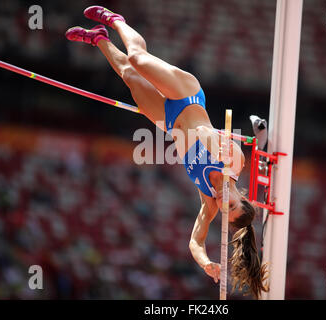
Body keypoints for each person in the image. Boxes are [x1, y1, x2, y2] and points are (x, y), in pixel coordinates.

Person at [66, 5, 268, 298]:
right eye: (234, 204)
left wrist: (206, 264)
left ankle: (99, 38)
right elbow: (210, 136)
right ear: (243, 196)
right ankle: (115, 20)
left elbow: (195, 242)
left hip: (169, 122)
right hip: (187, 96)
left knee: (128, 75)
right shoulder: (234, 164)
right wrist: (221, 147)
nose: (225, 203)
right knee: (137, 59)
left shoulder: (210, 202)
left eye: (226, 210)